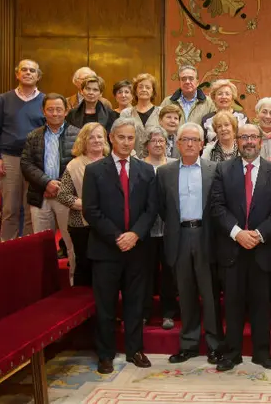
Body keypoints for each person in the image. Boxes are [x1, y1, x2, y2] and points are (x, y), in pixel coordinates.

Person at [211, 124, 271, 372]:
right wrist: (237, 233)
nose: (248, 141)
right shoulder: (222, 170)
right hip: (232, 248)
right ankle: (232, 353)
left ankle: (262, 353)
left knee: (261, 305)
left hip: (262, 249)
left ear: (260, 141)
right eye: (244, 137)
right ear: (237, 140)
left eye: (253, 137)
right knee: (232, 304)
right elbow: (216, 206)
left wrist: (258, 234)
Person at [83, 117, 158, 374]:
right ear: (111, 138)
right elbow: (91, 211)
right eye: (122, 137)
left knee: (135, 303)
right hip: (106, 248)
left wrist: (134, 234)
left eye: (131, 138)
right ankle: (105, 354)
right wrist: (118, 236)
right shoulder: (94, 170)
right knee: (105, 305)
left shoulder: (146, 170)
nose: (126, 142)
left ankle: (135, 349)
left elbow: (152, 209)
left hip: (137, 248)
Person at [157, 123, 224, 364]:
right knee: (185, 293)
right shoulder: (164, 173)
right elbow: (163, 208)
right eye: (185, 139)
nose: (189, 144)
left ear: (202, 144)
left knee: (209, 293)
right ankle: (189, 344)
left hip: (207, 236)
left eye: (195, 140)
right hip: (179, 236)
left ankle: (216, 344)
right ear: (177, 143)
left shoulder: (214, 170)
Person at [21, 93, 80, 280]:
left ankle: (75, 282)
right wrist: (46, 182)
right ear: (43, 111)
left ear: (66, 111)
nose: (55, 113)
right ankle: (44, 285)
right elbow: (26, 164)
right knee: (42, 244)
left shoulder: (77, 134)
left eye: (59, 109)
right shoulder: (33, 135)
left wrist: (60, 186)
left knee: (71, 242)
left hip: (67, 196)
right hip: (41, 195)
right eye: (50, 109)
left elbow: (79, 164)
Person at [0, 59, 46, 241]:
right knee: (10, 208)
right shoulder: (4, 99)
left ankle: (28, 249)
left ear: (38, 76)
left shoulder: (45, 100)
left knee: (32, 208)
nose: (28, 73)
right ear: (17, 74)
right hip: (9, 158)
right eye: (24, 70)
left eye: (32, 70)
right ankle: (7, 248)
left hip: (35, 160)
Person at [57, 122, 109, 287]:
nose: (96, 140)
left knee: (106, 268)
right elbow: (63, 195)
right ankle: (84, 308)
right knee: (85, 267)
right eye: (91, 137)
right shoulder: (74, 165)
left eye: (99, 136)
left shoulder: (112, 163)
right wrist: (90, 206)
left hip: (107, 224)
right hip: (81, 225)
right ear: (83, 141)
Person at [142, 127, 178, 329]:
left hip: (169, 228)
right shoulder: (139, 165)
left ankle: (168, 312)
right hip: (145, 230)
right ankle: (144, 312)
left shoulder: (174, 165)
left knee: (169, 272)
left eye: (161, 140)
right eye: (153, 140)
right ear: (146, 144)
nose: (157, 144)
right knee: (145, 272)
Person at [120, 73, 158, 155]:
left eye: (148, 87)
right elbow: (122, 138)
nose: (144, 90)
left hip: (155, 160)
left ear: (153, 92)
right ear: (135, 91)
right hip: (132, 160)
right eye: (140, 87)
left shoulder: (161, 113)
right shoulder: (126, 113)